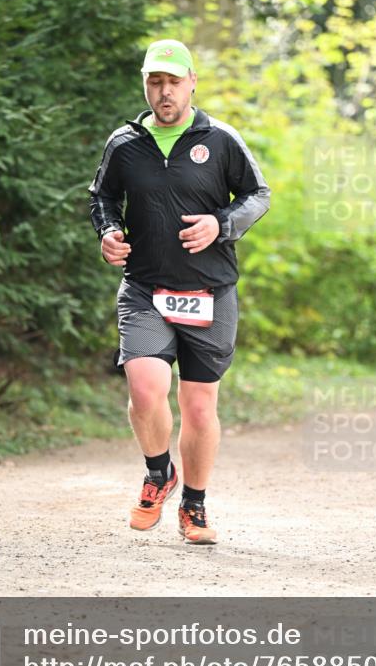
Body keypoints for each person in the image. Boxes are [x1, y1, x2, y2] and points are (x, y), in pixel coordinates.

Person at [89, 39, 270, 545]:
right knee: (145, 388)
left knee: (197, 407)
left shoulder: (219, 139)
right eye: (155, 82)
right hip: (145, 286)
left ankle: (194, 505)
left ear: (192, 82)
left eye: (173, 82)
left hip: (209, 291)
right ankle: (157, 473)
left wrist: (221, 224)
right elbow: (102, 196)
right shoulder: (124, 143)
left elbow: (258, 195)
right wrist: (107, 232)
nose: (164, 92)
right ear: (145, 84)